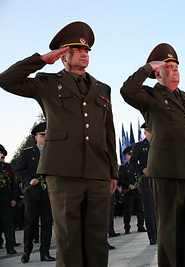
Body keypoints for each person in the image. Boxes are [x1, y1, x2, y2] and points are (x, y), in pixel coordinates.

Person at [0, 21, 118, 267]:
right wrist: (42, 59)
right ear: (64, 55)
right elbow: (6, 80)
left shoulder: (102, 88)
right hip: (63, 171)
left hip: (98, 170)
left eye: (86, 50)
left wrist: (113, 171)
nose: (84, 53)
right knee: (69, 238)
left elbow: (108, 133)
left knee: (97, 238)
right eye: (77, 50)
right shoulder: (47, 82)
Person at [120, 43, 185, 267]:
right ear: (156, 73)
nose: (174, 68)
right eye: (167, 66)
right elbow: (127, 91)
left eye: (176, 65)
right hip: (166, 172)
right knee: (169, 231)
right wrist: (147, 67)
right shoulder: (150, 96)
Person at [14, 122, 55, 263]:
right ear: (36, 137)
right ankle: (27, 251)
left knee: (46, 224)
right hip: (32, 193)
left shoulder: (52, 152)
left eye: (46, 135)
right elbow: (18, 170)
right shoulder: (27, 152)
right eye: (42, 136)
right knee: (30, 222)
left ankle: (45, 252)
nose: (44, 138)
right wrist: (28, 180)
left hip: (48, 193)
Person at [131, 123, 157, 245]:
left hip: (159, 181)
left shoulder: (159, 144)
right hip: (146, 182)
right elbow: (133, 162)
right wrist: (142, 169)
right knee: (149, 209)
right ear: (145, 132)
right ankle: (152, 235)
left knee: (160, 209)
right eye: (148, 131)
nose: (150, 133)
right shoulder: (139, 146)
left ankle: (160, 233)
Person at [118, 146, 146, 234]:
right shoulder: (123, 167)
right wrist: (129, 185)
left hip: (138, 191)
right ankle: (127, 227)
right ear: (126, 156)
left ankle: (141, 226)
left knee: (140, 209)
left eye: (132, 154)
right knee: (128, 210)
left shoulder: (138, 166)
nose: (131, 156)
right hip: (129, 192)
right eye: (129, 154)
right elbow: (121, 179)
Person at [0, 144, 17, 255]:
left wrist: (14, 198)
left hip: (5, 200)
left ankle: (10, 247)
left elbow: (13, 184)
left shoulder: (7, 167)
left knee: (8, 224)